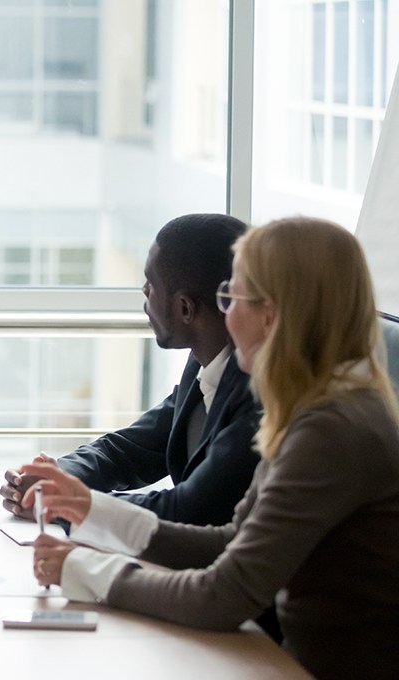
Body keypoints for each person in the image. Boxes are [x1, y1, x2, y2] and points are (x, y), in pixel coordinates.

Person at [25, 217, 399, 680]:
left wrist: (83, 570)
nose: (225, 315)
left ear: (272, 313)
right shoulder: (322, 405)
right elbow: (229, 542)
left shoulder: (331, 429)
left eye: (232, 298)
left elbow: (222, 596)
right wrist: (90, 510)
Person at [1, 213, 260, 526]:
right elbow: (130, 450)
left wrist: (66, 504)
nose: (144, 292)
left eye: (151, 284)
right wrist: (58, 476)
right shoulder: (204, 363)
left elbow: (190, 509)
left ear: (185, 309)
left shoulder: (258, 394)